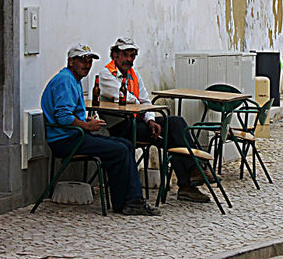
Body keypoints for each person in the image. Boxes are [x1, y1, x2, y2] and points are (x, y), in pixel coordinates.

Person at [41, 41, 160, 216]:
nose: (86, 65)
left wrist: (84, 121)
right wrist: (86, 125)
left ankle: (127, 201)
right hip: (65, 140)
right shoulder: (65, 80)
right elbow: (63, 117)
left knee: (125, 145)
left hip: (74, 135)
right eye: (82, 60)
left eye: (89, 61)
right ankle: (131, 200)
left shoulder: (72, 79)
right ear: (71, 61)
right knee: (119, 148)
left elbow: (68, 114)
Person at [99, 37, 212, 203]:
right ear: (115, 56)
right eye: (126, 55)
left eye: (132, 56)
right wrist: (143, 111)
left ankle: (192, 174)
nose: (129, 60)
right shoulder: (106, 74)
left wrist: (150, 120)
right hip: (121, 125)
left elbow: (145, 100)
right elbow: (125, 98)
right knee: (173, 135)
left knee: (176, 124)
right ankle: (191, 176)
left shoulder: (133, 74)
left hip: (138, 121)